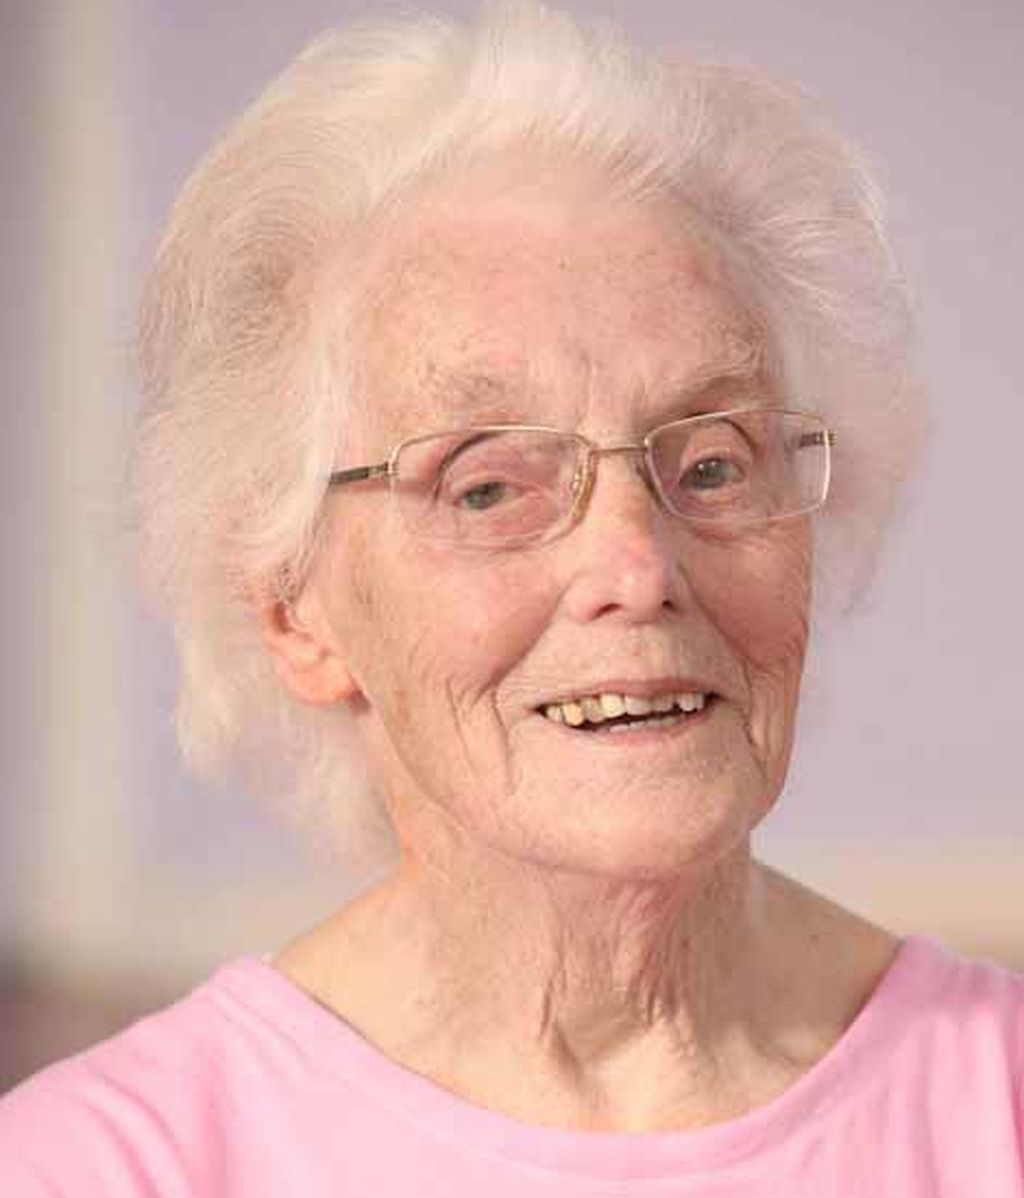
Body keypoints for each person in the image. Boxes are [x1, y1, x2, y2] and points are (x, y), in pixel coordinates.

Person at [2, 3, 1021, 1194]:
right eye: (486, 488)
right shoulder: (102, 1165)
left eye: (709, 463)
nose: (638, 566)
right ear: (293, 608)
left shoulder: (998, 1099)